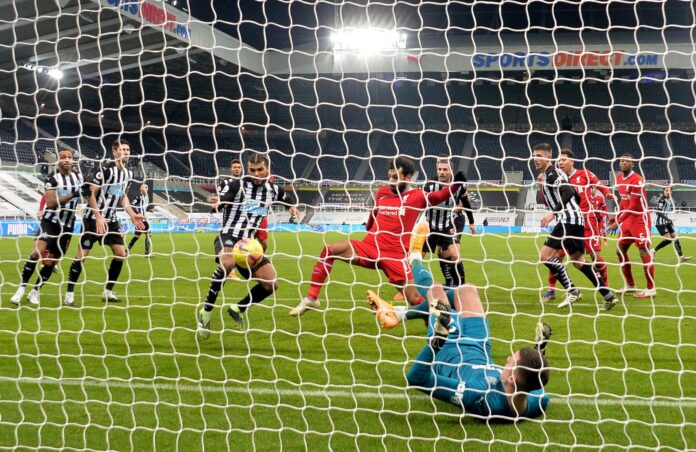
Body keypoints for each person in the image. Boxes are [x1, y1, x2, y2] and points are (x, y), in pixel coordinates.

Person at [366, 223, 551, 419]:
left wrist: (437, 342)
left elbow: (417, 379)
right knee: (466, 290)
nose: (506, 359)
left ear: (512, 379)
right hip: (479, 346)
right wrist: (539, 351)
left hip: (448, 350)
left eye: (510, 361)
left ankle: (414, 258)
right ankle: (399, 314)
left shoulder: (479, 396)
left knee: (435, 291)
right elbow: (534, 379)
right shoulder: (536, 400)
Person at [289, 156, 466, 317]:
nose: (391, 181)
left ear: (408, 177)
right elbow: (374, 213)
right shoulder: (382, 192)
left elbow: (439, 196)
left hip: (395, 255)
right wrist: (369, 225)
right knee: (330, 250)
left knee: (415, 300)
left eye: (395, 177)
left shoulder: (417, 196)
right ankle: (312, 297)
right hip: (370, 247)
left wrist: (456, 184)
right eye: (389, 176)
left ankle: (439, 323)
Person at [197, 153, 299, 337]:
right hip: (228, 236)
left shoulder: (273, 189)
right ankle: (206, 312)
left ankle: (237, 308)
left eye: (260, 170)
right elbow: (223, 200)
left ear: (267, 169)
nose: (256, 174)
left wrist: (292, 207)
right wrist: (218, 204)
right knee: (227, 263)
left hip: (249, 245)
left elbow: (287, 198)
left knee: (271, 284)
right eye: (252, 170)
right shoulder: (237, 185)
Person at [533, 143, 616, 310]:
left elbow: (570, 192)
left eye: (539, 156)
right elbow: (575, 195)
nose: (535, 159)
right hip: (576, 219)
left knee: (545, 256)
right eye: (534, 156)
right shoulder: (550, 175)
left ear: (549, 157)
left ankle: (572, 290)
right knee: (578, 262)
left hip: (568, 220)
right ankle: (608, 296)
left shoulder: (552, 173)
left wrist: (554, 213)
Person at [64, 140, 145, 306]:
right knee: (82, 255)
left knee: (121, 254)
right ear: (114, 152)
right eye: (122, 149)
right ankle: (69, 294)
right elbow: (90, 193)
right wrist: (98, 216)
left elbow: (122, 196)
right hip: (93, 220)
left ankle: (108, 292)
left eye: (128, 149)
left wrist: (132, 214)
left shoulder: (129, 174)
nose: (126, 152)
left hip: (111, 220)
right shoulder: (106, 170)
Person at [11, 148, 84, 305]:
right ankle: (20, 290)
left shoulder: (79, 177)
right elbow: (50, 203)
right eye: (63, 157)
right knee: (36, 252)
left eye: (69, 157)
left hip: (68, 225)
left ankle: (35, 291)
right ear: (57, 160)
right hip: (50, 222)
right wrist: (73, 194)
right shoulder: (52, 179)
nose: (67, 159)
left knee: (52, 261)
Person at [423, 155, 475, 287]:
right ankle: (410, 286)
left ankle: (460, 285)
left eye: (445, 169)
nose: (441, 172)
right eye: (439, 169)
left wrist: (471, 222)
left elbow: (466, 203)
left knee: (455, 255)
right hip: (429, 227)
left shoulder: (458, 186)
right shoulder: (429, 185)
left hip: (447, 225)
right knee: (418, 256)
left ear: (451, 170)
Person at [608, 154, 655, 298]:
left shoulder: (637, 180)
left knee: (643, 251)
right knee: (620, 250)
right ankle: (630, 285)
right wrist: (617, 217)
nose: (623, 163)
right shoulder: (619, 179)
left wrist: (618, 222)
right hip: (628, 219)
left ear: (632, 164)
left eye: (627, 161)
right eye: (622, 161)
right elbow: (624, 202)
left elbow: (634, 205)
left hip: (640, 218)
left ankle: (651, 288)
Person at [652, 186, 691, 262]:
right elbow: (658, 212)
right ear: (663, 191)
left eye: (669, 191)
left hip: (666, 222)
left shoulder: (669, 200)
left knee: (675, 237)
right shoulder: (662, 200)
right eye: (666, 190)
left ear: (671, 192)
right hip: (660, 223)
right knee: (669, 240)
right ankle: (653, 251)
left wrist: (668, 220)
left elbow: (665, 212)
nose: (668, 192)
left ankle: (681, 257)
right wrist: (668, 219)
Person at [127, 183, 152, 256]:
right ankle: (147, 252)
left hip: (143, 220)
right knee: (148, 234)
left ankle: (127, 250)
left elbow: (144, 207)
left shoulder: (146, 197)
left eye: (147, 187)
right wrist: (138, 213)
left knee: (137, 236)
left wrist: (149, 210)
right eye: (145, 187)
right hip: (140, 220)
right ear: (141, 188)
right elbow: (132, 205)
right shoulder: (139, 197)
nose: (146, 188)